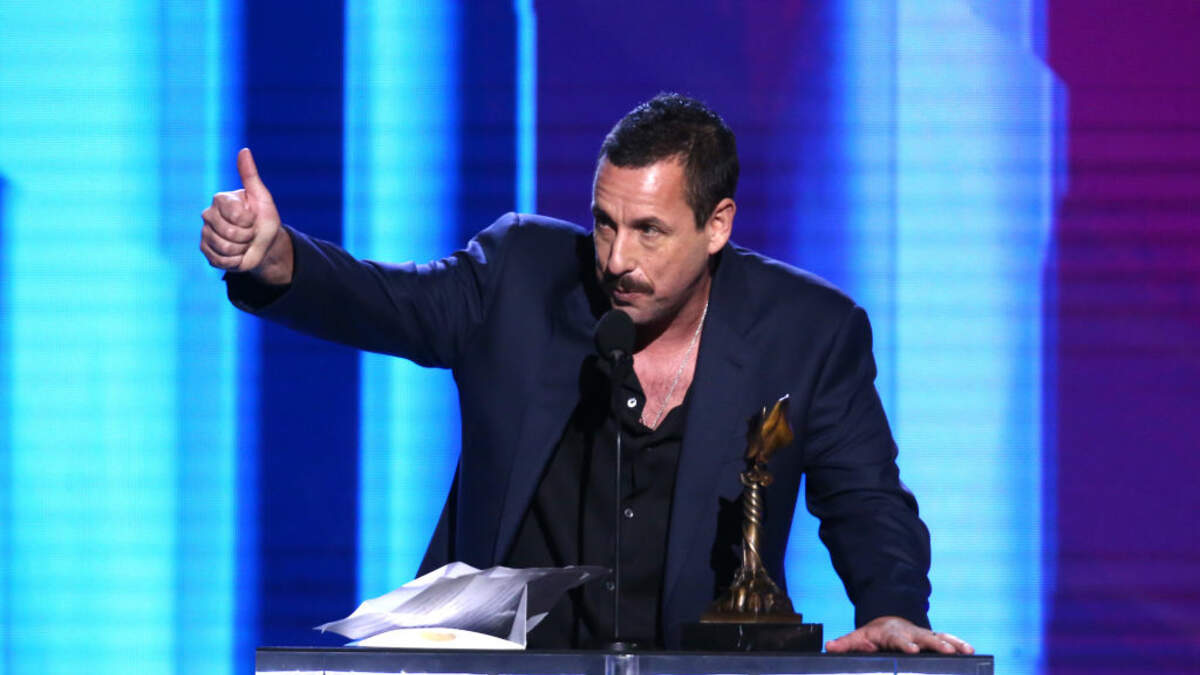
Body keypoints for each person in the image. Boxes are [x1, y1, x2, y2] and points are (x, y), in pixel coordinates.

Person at [201, 93, 973, 654]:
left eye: (649, 231)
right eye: (605, 223)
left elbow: (866, 498)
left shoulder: (807, 332)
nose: (617, 259)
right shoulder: (520, 277)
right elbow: (387, 301)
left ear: (717, 225)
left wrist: (893, 609)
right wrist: (280, 258)